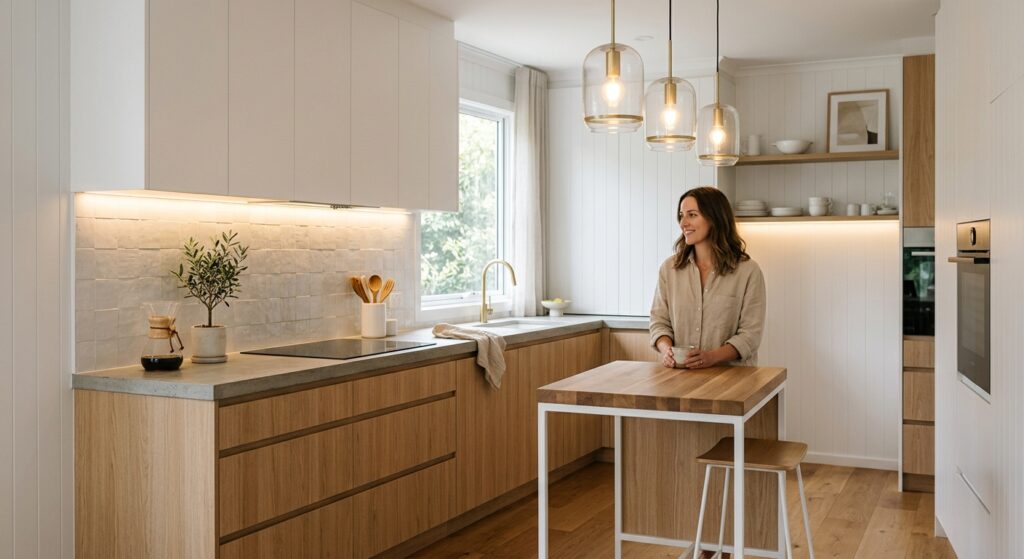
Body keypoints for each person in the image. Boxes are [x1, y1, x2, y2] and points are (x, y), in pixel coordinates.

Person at [650, 186, 766, 369]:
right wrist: (667, 351)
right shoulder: (669, 269)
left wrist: (712, 357)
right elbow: (659, 323)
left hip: (733, 378)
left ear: (715, 218)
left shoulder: (748, 272)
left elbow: (750, 335)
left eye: (692, 215)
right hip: (681, 376)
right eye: (681, 215)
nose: (683, 223)